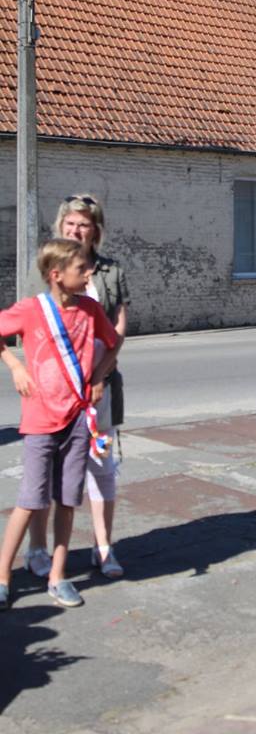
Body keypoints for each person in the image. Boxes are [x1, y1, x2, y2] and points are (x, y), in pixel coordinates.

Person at [0, 238, 119, 610]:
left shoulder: (90, 310)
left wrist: (98, 376)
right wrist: (16, 365)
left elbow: (113, 343)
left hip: (78, 421)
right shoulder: (32, 310)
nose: (89, 274)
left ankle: (58, 574)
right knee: (30, 501)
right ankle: (3, 576)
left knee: (67, 500)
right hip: (39, 421)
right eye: (81, 269)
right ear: (57, 275)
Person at [25, 194, 130, 579]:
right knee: (46, 471)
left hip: (99, 387)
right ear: (61, 228)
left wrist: (99, 375)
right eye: (70, 224)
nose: (77, 230)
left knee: (101, 467)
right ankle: (38, 549)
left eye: (84, 224)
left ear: (95, 230)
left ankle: (103, 547)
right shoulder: (48, 264)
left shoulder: (110, 272)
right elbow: (31, 324)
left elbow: (118, 329)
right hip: (54, 392)